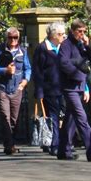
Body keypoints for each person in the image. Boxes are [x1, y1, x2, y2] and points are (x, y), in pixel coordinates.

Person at [57, 18, 91, 162]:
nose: (82, 34)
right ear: (72, 31)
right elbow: (63, 63)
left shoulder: (81, 45)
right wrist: (77, 74)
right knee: (81, 117)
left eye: (84, 32)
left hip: (80, 87)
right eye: (79, 31)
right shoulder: (66, 45)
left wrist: (88, 46)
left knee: (70, 119)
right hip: (70, 87)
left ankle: (64, 150)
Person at [0, 27, 31, 155]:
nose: (13, 40)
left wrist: (25, 81)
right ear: (6, 38)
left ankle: (11, 144)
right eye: (10, 37)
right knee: (5, 117)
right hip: (2, 88)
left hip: (17, 89)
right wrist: (4, 71)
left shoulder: (22, 51)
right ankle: (9, 146)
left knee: (14, 119)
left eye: (15, 37)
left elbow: (28, 68)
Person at [32, 21, 66, 156]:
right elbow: (38, 71)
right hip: (49, 89)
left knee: (59, 116)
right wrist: (39, 91)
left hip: (62, 88)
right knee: (53, 117)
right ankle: (55, 145)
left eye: (64, 34)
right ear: (53, 35)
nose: (63, 36)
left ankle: (51, 143)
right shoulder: (42, 48)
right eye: (60, 34)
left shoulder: (63, 47)